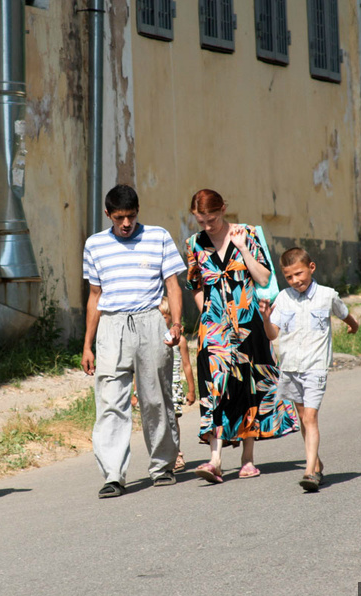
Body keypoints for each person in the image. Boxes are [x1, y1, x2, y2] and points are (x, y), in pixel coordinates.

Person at [184, 189, 297, 484]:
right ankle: (216, 459)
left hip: (249, 323)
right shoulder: (194, 244)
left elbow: (263, 278)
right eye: (201, 221)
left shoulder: (245, 233)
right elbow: (195, 284)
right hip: (214, 329)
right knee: (215, 387)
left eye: (211, 219)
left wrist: (243, 248)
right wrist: (208, 314)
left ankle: (247, 459)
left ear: (223, 209)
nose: (207, 226)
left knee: (249, 385)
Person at [82, 184, 186, 498]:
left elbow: (172, 284)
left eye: (130, 216)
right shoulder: (95, 244)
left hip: (150, 322)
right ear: (108, 215)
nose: (125, 224)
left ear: (137, 211)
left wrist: (178, 323)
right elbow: (94, 297)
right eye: (118, 218)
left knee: (155, 398)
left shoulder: (158, 237)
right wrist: (87, 345)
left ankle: (162, 465)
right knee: (111, 400)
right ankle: (113, 475)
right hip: (111, 326)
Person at [258, 247, 359, 492]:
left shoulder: (327, 295)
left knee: (310, 418)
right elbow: (272, 335)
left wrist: (353, 325)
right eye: (289, 277)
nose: (295, 281)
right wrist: (265, 317)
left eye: (299, 274)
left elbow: (344, 313)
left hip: (315, 367)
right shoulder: (283, 298)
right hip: (291, 368)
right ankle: (317, 463)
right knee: (304, 419)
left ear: (311, 268)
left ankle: (309, 472)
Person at [129, 297, 197, 472]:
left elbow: (187, 365)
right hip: (152, 385)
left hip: (172, 386)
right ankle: (162, 454)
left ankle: (177, 453)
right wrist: (135, 391)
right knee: (157, 418)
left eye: (165, 317)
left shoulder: (179, 340)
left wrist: (191, 389)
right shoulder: (147, 340)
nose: (161, 321)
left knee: (172, 419)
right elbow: (140, 367)